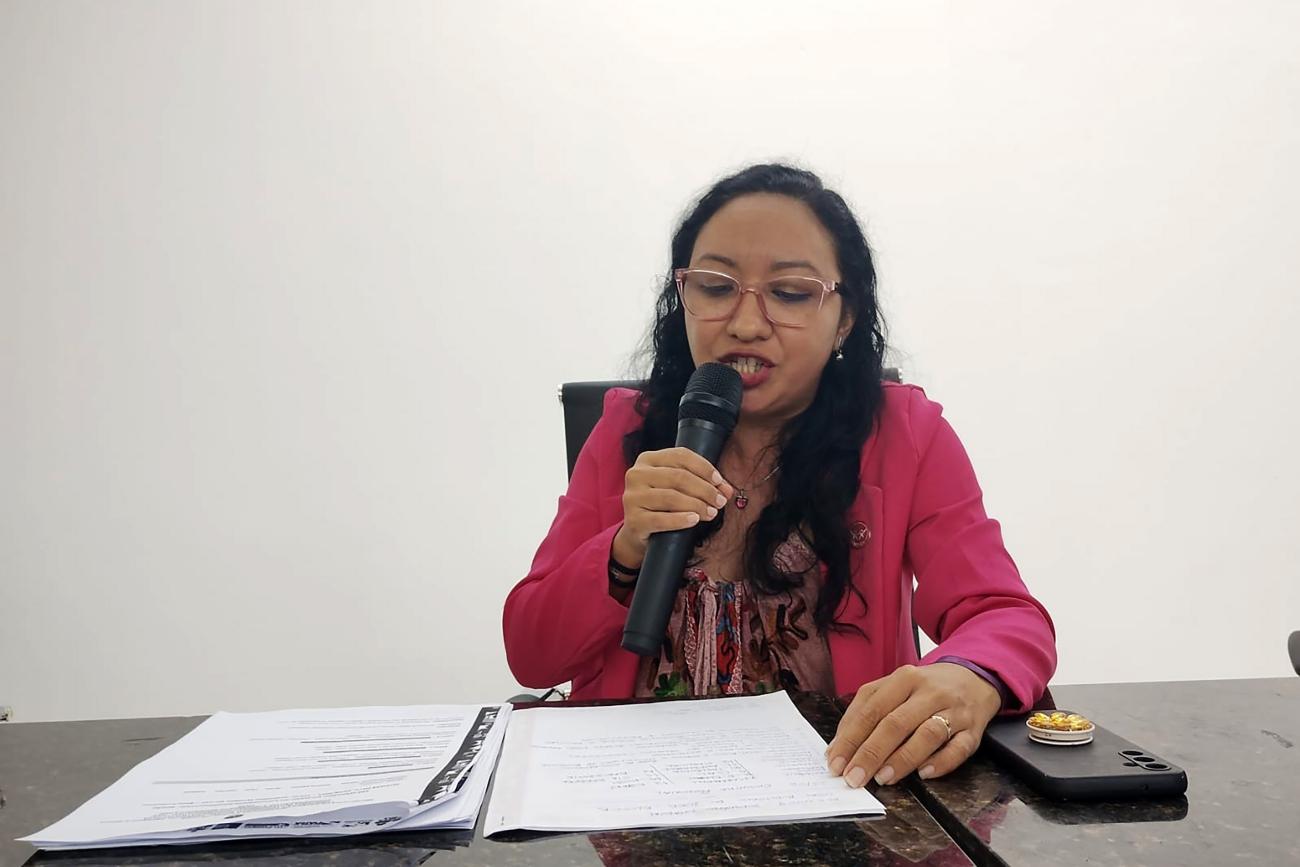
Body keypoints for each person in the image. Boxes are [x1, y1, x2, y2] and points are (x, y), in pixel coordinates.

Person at [502, 164, 1056, 789]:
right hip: (635, 793)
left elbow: (1006, 615)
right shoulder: (627, 430)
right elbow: (531, 654)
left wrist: (969, 676)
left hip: (835, 790)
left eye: (790, 293)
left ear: (844, 318)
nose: (745, 323)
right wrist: (624, 547)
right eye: (716, 287)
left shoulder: (904, 434)